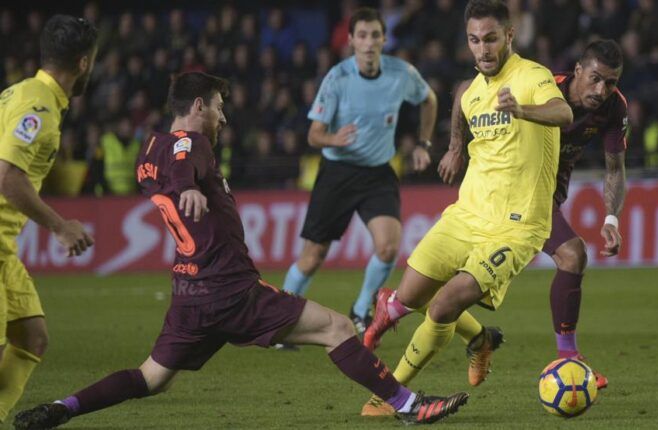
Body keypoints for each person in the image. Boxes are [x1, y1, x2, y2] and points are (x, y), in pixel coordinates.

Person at [13, 72, 467, 430]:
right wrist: (189, 189)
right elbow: (184, 167)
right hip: (230, 289)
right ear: (197, 106)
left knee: (150, 379)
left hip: (189, 294)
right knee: (337, 326)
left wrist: (185, 187)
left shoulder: (149, 148)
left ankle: (63, 407)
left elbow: (169, 169)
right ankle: (407, 405)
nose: (223, 117)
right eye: (218, 107)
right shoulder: (194, 144)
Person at [361, 0, 572, 415]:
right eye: (475, 40)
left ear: (509, 36)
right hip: (465, 215)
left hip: (517, 226)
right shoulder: (472, 91)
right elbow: (461, 102)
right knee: (412, 294)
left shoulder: (532, 77)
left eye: (491, 38)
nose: (483, 49)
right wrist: (456, 148)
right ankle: (480, 340)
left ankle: (388, 396)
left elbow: (563, 113)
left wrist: (522, 111)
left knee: (442, 305)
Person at [280, 7, 437, 336]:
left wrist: (423, 143)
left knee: (389, 248)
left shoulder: (401, 74)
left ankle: (361, 309)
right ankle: (280, 318)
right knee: (313, 256)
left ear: (384, 38)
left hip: (378, 172)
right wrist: (333, 138)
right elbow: (313, 134)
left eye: (375, 35)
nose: (368, 43)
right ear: (351, 40)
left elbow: (429, 99)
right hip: (337, 172)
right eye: (362, 36)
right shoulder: (338, 78)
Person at [0, 15, 97, 423]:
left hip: (5, 247)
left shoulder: (19, 92)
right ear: (84, 63)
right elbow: (7, 176)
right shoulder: (38, 109)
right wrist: (60, 225)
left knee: (31, 337)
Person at [542, 39, 629, 389]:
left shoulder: (613, 108)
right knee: (573, 254)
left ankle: (392, 307)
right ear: (577, 70)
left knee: (471, 284)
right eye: (595, 78)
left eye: (610, 82)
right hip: (511, 192)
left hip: (548, 197)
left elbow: (615, 168)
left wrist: (611, 219)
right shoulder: (544, 88)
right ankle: (568, 358)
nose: (601, 89)